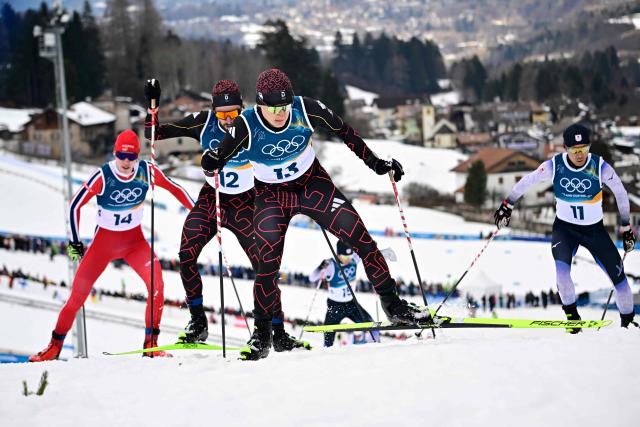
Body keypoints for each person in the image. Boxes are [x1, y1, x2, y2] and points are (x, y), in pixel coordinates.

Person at [201, 68, 430, 360]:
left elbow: (345, 132)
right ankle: (262, 334)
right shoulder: (245, 124)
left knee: (361, 239)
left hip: (313, 185)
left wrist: (377, 164)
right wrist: (210, 163)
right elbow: (217, 157)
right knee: (266, 266)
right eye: (273, 108)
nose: (280, 113)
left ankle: (393, 305)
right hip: (272, 196)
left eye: (284, 106)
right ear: (259, 104)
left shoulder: (305, 109)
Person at [143, 78, 306, 351]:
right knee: (186, 254)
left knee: (265, 268)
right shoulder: (202, 123)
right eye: (223, 114)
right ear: (214, 110)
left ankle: (277, 331)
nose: (229, 119)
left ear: (243, 108)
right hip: (213, 198)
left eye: (234, 113)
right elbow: (154, 134)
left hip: (247, 203)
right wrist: (153, 106)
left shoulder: (255, 123)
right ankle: (198, 322)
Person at [29, 130, 194, 362]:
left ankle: (151, 344)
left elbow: (176, 189)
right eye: (121, 156)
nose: (126, 162)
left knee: (157, 285)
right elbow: (74, 205)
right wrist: (75, 243)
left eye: (131, 157)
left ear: (137, 155)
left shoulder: (146, 171)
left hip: (135, 243)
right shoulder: (103, 175)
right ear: (114, 154)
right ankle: (54, 346)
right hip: (103, 245)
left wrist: (199, 213)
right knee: (77, 297)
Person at [494, 123, 638, 332]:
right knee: (561, 273)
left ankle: (628, 323)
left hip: (594, 231)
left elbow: (621, 193)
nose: (579, 155)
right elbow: (528, 180)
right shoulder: (555, 165)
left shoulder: (600, 166)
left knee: (621, 282)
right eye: (574, 150)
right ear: (566, 149)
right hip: (565, 229)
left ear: (589, 147)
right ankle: (572, 318)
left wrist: (626, 227)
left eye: (584, 149)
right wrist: (508, 204)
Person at [310, 240, 388, 347]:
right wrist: (321, 267)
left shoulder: (353, 259)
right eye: (345, 257)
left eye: (350, 256)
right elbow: (312, 278)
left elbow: (366, 253)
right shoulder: (331, 265)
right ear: (338, 254)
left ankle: (375, 347)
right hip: (335, 306)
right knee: (328, 337)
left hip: (351, 304)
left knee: (372, 326)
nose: (348, 260)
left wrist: (372, 246)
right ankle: (326, 355)